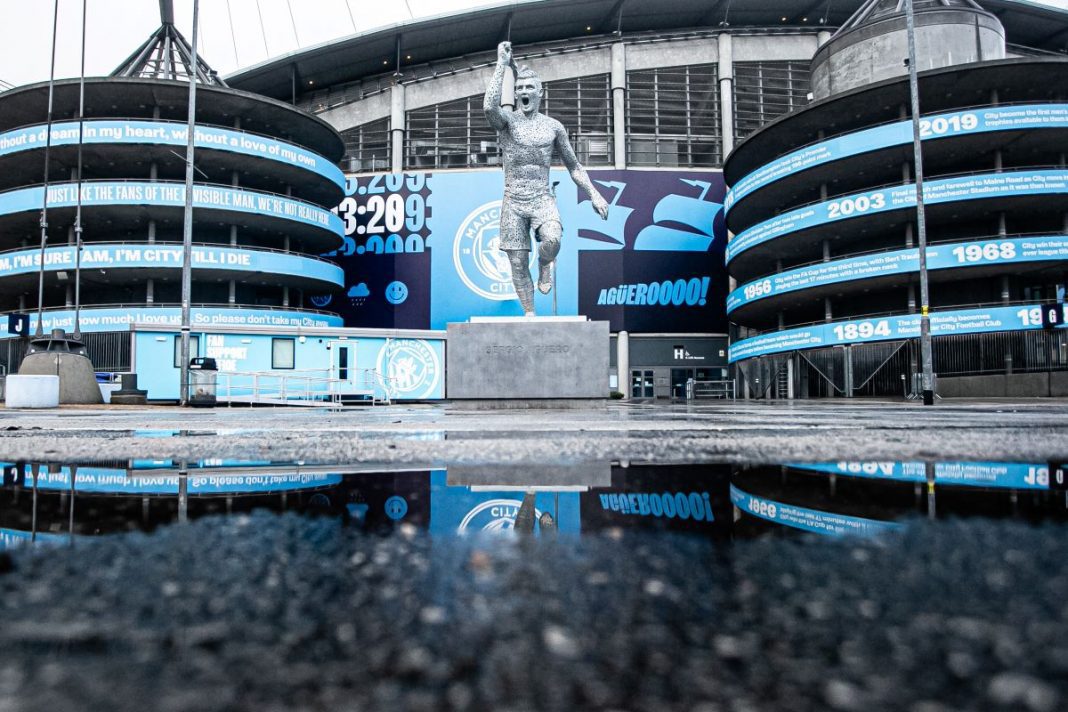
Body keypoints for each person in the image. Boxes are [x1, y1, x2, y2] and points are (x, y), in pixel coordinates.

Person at [483, 41, 610, 315]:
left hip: (541, 198)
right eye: (519, 89)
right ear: (515, 93)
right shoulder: (507, 122)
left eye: (529, 88)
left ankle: (544, 266)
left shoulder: (554, 128)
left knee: (552, 240)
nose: (524, 92)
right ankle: (530, 314)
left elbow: (574, 166)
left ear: (540, 93)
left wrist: (594, 194)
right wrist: (502, 65)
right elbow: (488, 107)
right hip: (513, 201)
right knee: (517, 263)